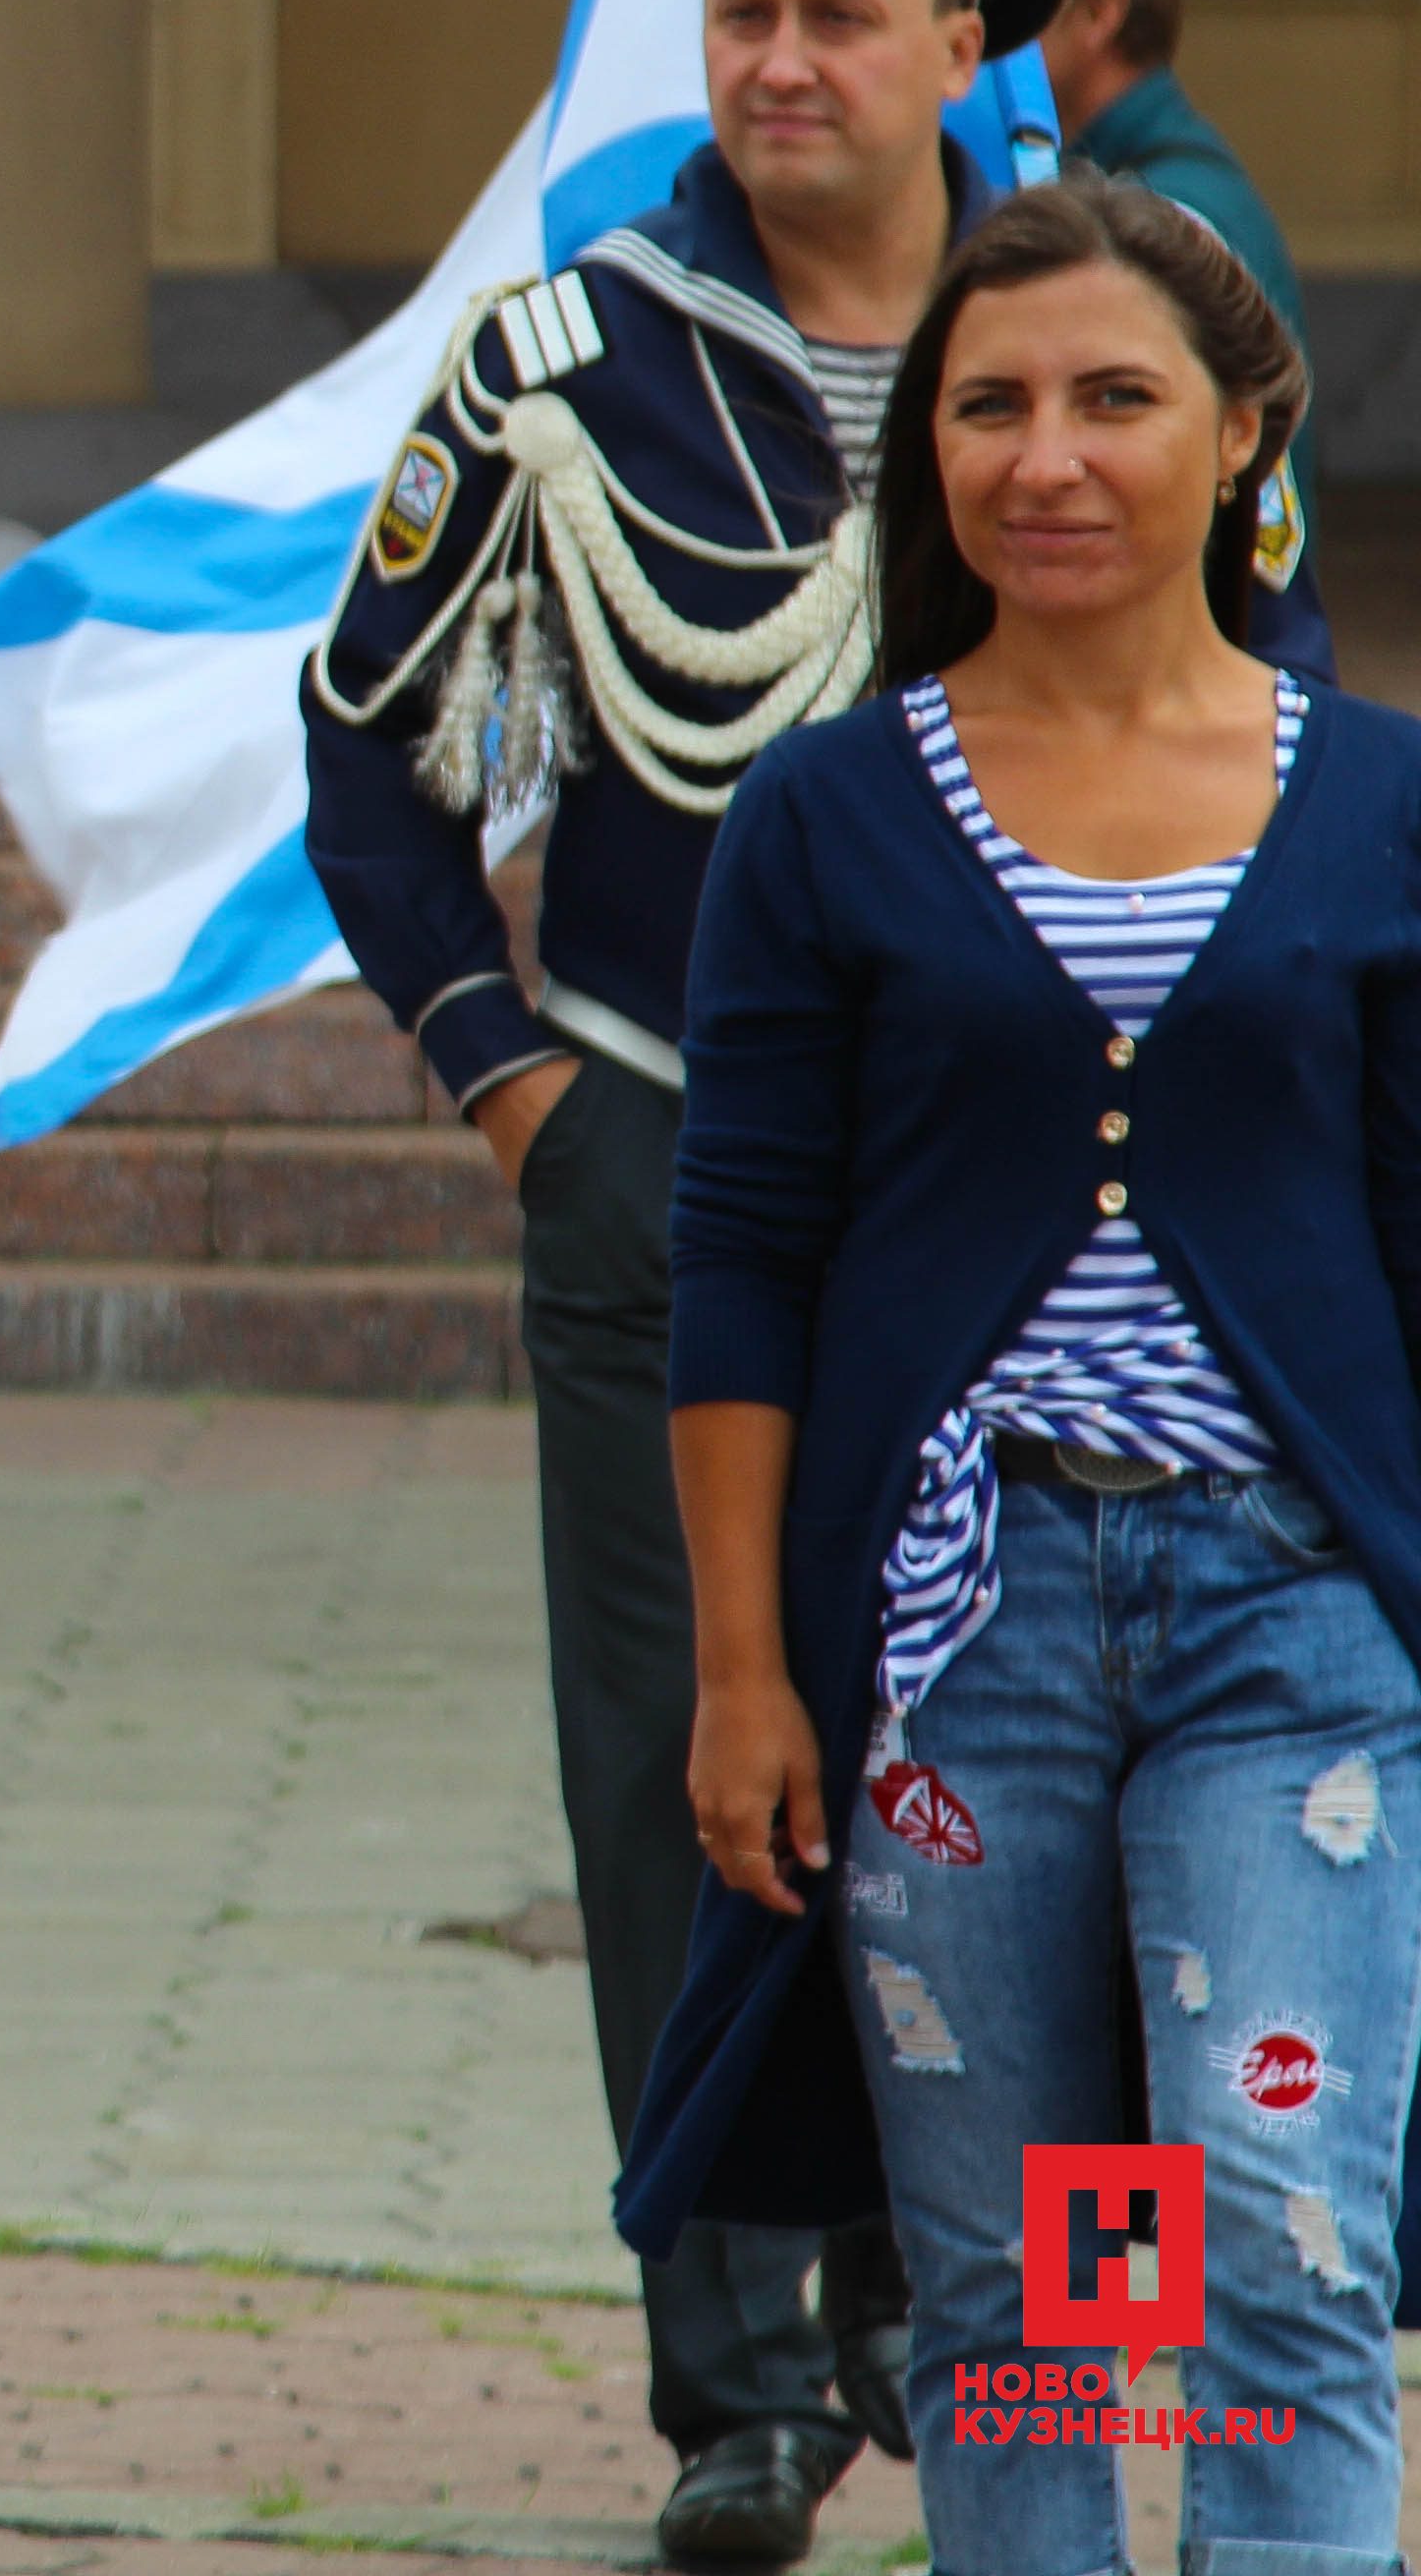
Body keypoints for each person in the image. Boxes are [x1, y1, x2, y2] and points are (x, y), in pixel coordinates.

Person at [301, 0, 1317, 2564]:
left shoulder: (1097, 346)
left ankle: (1009, 2347)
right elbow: (375, 765)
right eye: (739, 7)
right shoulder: (566, 366)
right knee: (700, 1768)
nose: (777, 61)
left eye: (837, 12)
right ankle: (741, 2368)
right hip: (668, 1166)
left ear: (963, 29)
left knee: (1075, 1794)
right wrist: (513, 1095)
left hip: (1055, 1214)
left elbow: (1290, 749)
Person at [638, 170, 1421, 2576]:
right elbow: (742, 1250)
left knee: (1279, 2236)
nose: (1043, 456)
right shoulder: (825, 811)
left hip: (1288, 1635)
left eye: (1110, 398)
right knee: (1034, 2291)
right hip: (954, 1649)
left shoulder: (1383, 797)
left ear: (1237, 428)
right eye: (986, 405)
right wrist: (748, 1662)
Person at [1043, 0, 1316, 565]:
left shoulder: (1162, 215)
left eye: (1021, 0)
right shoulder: (1171, 173)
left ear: (1098, 16)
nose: (986, 30)